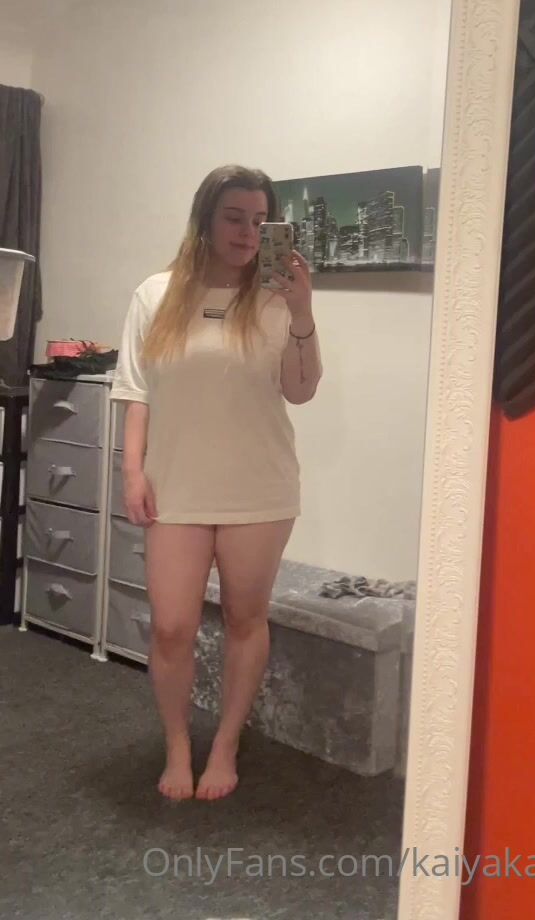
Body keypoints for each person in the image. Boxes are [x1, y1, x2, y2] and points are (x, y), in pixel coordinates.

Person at [110, 164, 322, 802]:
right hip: (175, 486)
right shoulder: (156, 295)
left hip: (259, 488)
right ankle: (178, 745)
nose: (248, 232)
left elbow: (301, 390)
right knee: (171, 626)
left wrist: (303, 311)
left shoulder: (277, 299)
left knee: (243, 618)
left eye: (260, 220)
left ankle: (225, 745)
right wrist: (132, 470)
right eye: (234, 217)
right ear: (205, 218)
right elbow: (136, 391)